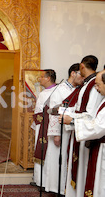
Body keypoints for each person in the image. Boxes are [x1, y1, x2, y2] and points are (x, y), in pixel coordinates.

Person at [61, 55, 103, 197]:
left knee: (88, 174)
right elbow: (81, 109)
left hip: (89, 135)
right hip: (82, 130)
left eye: (99, 85)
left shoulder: (92, 86)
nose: (97, 88)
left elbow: (91, 117)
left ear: (81, 66)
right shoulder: (87, 84)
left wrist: (72, 120)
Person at [43, 64, 83, 195]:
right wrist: (56, 134)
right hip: (61, 131)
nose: (82, 78)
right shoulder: (60, 89)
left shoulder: (78, 89)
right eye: (80, 74)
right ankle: (56, 188)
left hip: (72, 129)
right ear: (73, 73)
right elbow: (54, 111)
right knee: (56, 159)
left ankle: (65, 188)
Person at [31, 69, 57, 187]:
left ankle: (45, 181)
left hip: (49, 126)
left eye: (41, 77)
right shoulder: (43, 92)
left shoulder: (56, 91)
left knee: (49, 153)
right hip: (41, 125)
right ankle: (38, 179)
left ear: (48, 78)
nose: (39, 79)